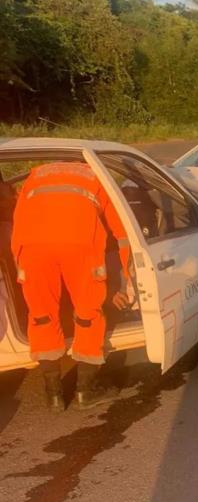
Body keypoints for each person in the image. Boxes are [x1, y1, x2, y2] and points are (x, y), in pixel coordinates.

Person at [11, 160, 133, 411]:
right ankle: (85, 392)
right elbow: (122, 235)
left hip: (32, 249)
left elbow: (18, 220)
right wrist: (127, 281)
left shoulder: (36, 174)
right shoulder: (96, 175)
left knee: (41, 316)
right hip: (81, 246)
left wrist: (20, 268)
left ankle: (54, 396)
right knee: (88, 315)